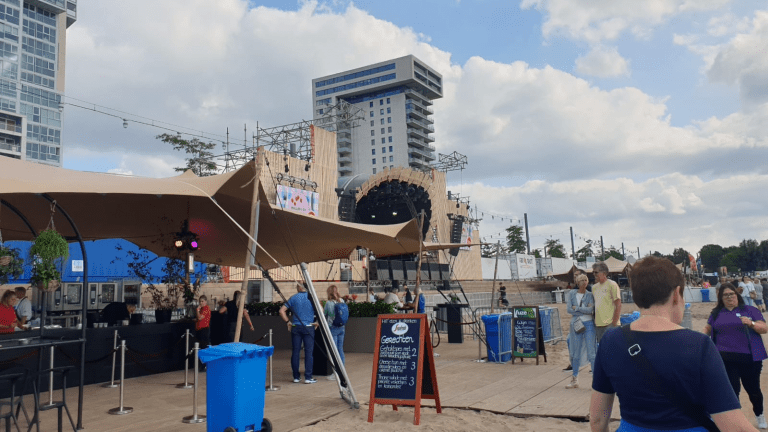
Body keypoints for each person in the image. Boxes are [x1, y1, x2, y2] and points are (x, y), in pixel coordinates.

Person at [590, 256, 758, 432]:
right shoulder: (699, 345)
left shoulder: (610, 340)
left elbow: (597, 419)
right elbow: (733, 426)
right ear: (677, 295)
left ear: (637, 296)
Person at [703, 283, 768, 429]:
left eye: (731, 294)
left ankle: (760, 415)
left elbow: (764, 329)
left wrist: (751, 323)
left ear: (737, 295)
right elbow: (707, 328)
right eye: (725, 295)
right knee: (731, 391)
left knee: (753, 390)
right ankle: (735, 421)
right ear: (721, 298)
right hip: (725, 359)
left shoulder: (750, 310)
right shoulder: (716, 313)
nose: (729, 297)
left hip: (749, 359)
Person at [279, 284, 318, 384]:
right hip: (309, 327)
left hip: (296, 327)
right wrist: (317, 322)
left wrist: (288, 322)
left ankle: (296, 377)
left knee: (295, 352)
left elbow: (281, 311)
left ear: (298, 288)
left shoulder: (293, 298)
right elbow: (321, 311)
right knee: (309, 353)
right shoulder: (311, 297)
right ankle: (308, 378)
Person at [565, 273, 596, 389]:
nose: (585, 282)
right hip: (576, 324)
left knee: (591, 352)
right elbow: (569, 310)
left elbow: (591, 310)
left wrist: (577, 308)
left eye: (586, 280)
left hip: (589, 324)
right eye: (582, 280)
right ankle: (574, 378)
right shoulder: (572, 294)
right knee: (576, 351)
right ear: (578, 282)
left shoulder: (590, 295)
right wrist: (584, 310)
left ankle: (595, 380)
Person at [592, 262, 620, 344]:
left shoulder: (612, 284)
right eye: (593, 272)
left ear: (604, 273)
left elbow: (618, 304)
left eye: (596, 272)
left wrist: (614, 323)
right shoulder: (594, 288)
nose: (594, 274)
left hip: (610, 325)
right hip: (598, 325)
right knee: (603, 350)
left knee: (613, 349)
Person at [323, 285, 345, 366]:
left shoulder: (329, 303)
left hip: (333, 327)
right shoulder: (342, 301)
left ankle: (336, 372)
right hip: (342, 327)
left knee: (334, 350)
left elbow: (324, 315)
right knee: (340, 349)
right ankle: (342, 370)